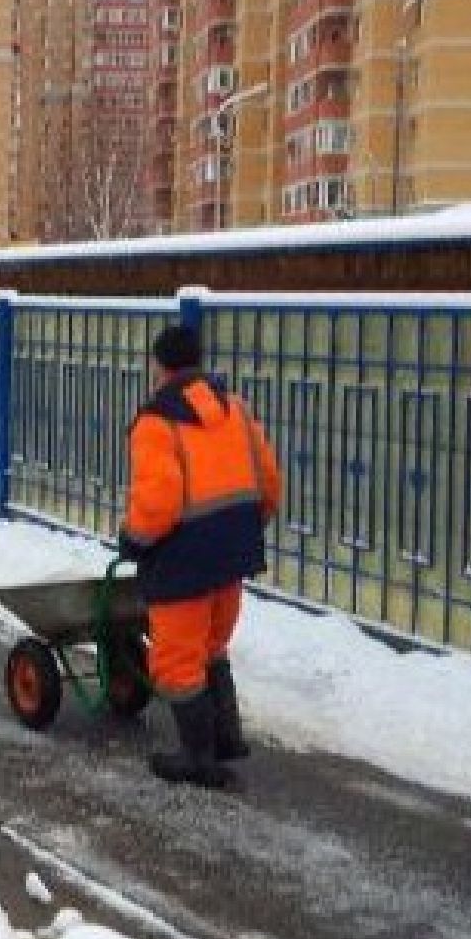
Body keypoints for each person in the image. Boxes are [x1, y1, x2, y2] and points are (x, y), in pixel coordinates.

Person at [118, 325, 282, 788]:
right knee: (211, 645)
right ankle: (226, 738)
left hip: (182, 558)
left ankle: (199, 758)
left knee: (175, 659)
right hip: (233, 551)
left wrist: (133, 538)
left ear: (160, 366)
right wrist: (244, 527)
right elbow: (268, 479)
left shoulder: (156, 422)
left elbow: (158, 500)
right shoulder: (236, 409)